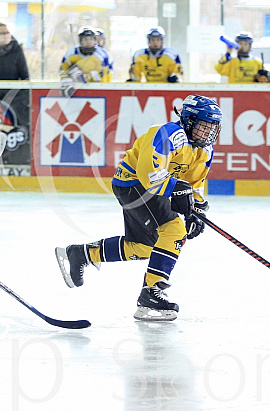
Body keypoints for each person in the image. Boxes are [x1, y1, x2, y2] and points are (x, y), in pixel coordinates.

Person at [55, 95, 222, 322]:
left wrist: (197, 211)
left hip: (151, 189)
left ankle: (82, 253)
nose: (208, 133)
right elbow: (148, 173)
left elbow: (195, 182)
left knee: (146, 247)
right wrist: (176, 190)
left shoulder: (204, 150)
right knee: (174, 231)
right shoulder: (167, 134)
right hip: (134, 184)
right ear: (190, 120)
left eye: (212, 128)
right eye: (203, 126)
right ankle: (150, 293)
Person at [59, 26, 113, 97]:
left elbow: (104, 73)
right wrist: (66, 80)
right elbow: (63, 69)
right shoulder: (71, 53)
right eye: (85, 39)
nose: (88, 42)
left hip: (101, 89)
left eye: (91, 39)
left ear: (95, 40)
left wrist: (82, 77)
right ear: (80, 41)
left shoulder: (102, 54)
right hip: (79, 92)